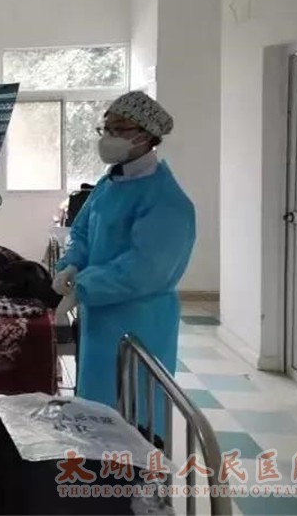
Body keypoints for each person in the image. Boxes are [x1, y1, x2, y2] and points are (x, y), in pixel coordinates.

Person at [53, 91, 195, 430]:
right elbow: (83, 230)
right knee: (96, 410)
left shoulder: (167, 200)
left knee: (135, 415)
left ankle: (137, 462)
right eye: (106, 128)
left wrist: (84, 286)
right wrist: (71, 264)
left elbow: (146, 269)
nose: (109, 137)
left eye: (119, 129)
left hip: (140, 321)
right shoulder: (109, 184)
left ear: (146, 135)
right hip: (100, 318)